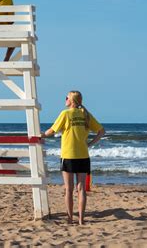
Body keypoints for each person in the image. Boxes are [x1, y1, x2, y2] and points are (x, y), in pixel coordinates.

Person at [42, 91, 105, 225]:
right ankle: (81, 220)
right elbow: (101, 131)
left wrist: (41, 135)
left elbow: (52, 131)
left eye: (66, 98)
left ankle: (70, 219)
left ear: (71, 100)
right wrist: (89, 144)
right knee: (81, 188)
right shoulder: (85, 114)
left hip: (68, 155)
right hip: (83, 156)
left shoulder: (65, 114)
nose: (64, 99)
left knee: (69, 189)